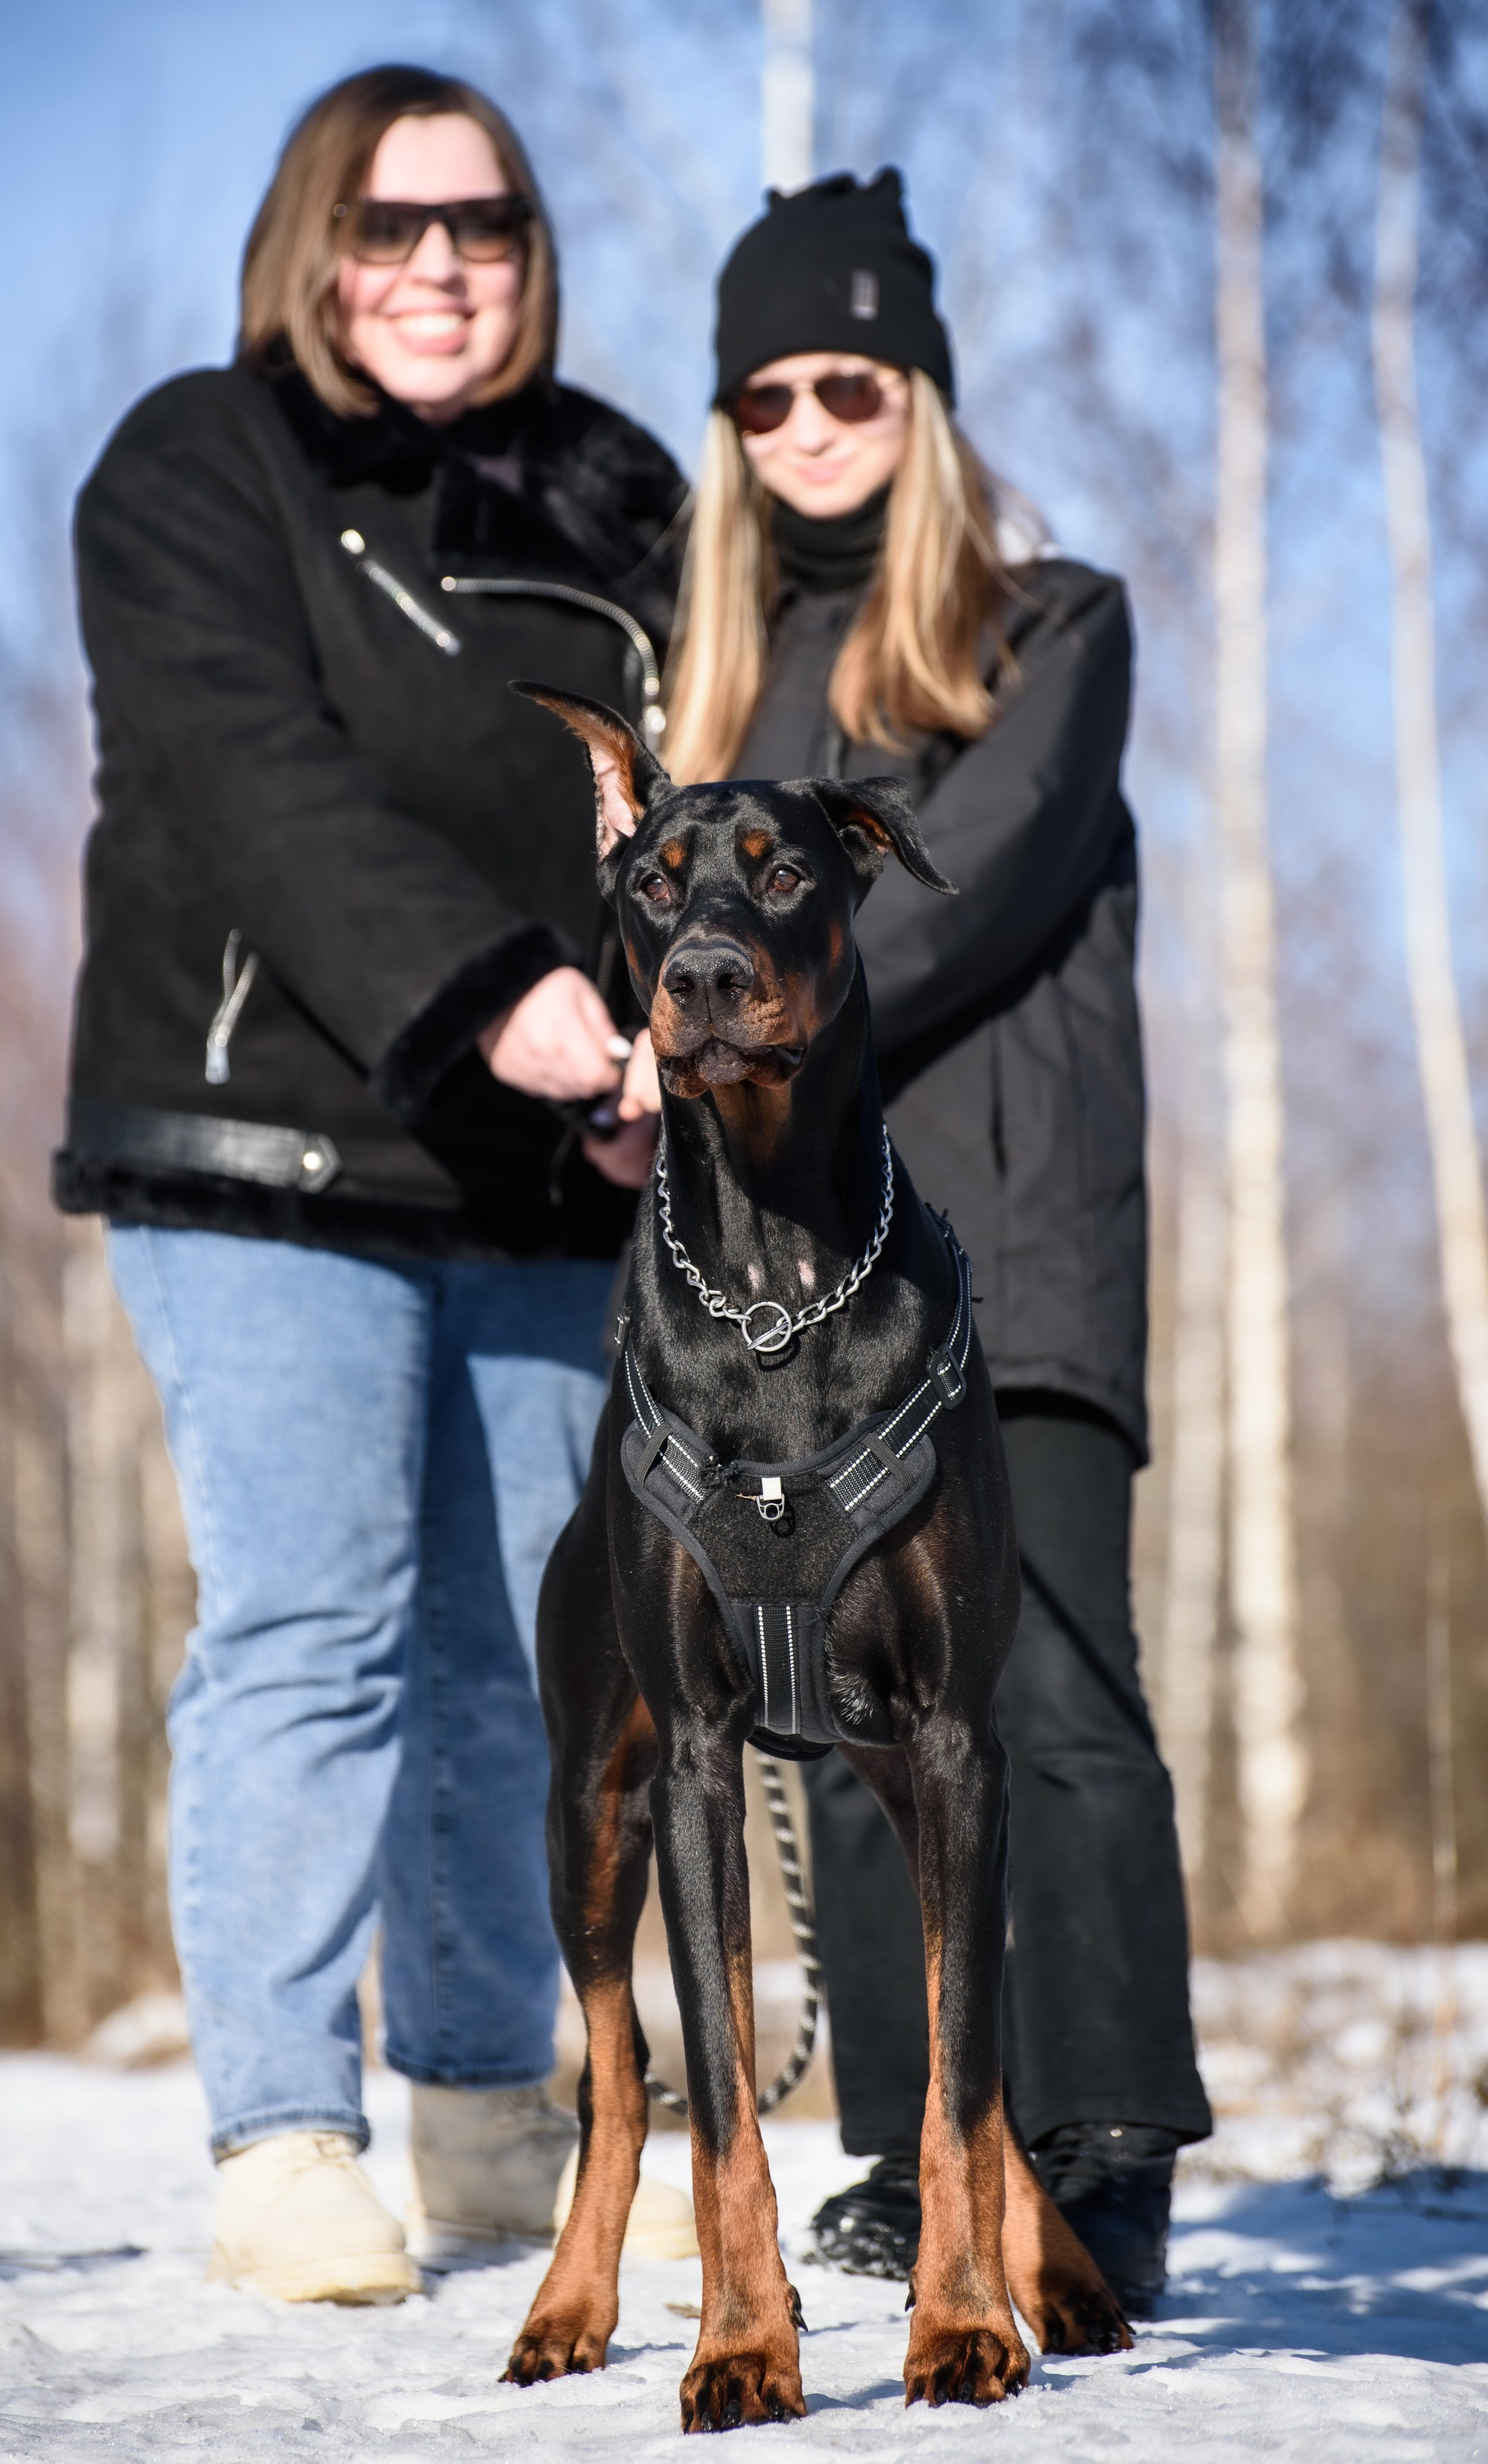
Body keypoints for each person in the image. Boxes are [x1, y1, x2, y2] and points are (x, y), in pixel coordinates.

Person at [55, 64, 687, 2303]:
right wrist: (498, 987)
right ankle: (286, 2133)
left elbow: (672, 803)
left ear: (531, 255)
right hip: (267, 1139)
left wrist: (655, 1047)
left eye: (482, 226)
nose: (438, 268)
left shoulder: (622, 489)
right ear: (312, 245)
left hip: (541, 1163)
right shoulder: (197, 461)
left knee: (526, 1647)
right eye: (390, 226)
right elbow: (257, 777)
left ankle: (495, 2105)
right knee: (312, 1625)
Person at [657, 170, 1212, 2314]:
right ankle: (910, 2149)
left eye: (853, 381)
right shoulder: (716, 690)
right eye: (768, 393)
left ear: (925, 393)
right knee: (840, 1710)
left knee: (1049, 1676)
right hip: (804, 1291)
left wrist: (709, 1010)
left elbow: (969, 891)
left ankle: (1102, 2140)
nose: (811, 424)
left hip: (1020, 1241)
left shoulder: (1053, 626)